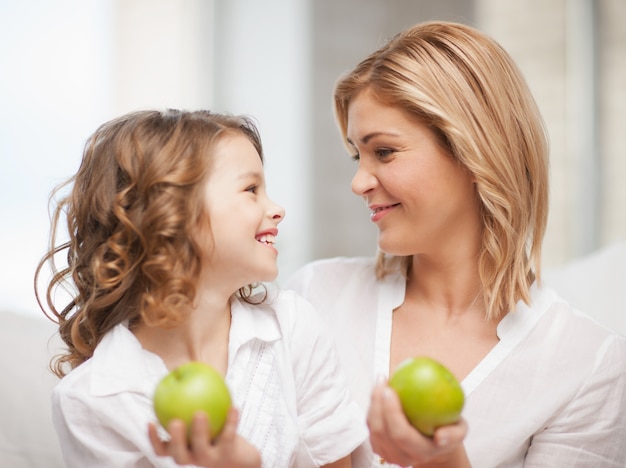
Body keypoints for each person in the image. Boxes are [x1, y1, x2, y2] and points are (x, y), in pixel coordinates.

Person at [285, 21, 626, 468]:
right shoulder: (315, 298)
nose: (358, 182)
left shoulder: (587, 365)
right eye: (357, 155)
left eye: (384, 152)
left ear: (473, 152)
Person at [35, 109, 366, 467]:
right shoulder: (92, 399)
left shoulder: (292, 326)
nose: (277, 209)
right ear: (170, 215)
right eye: (251, 189)